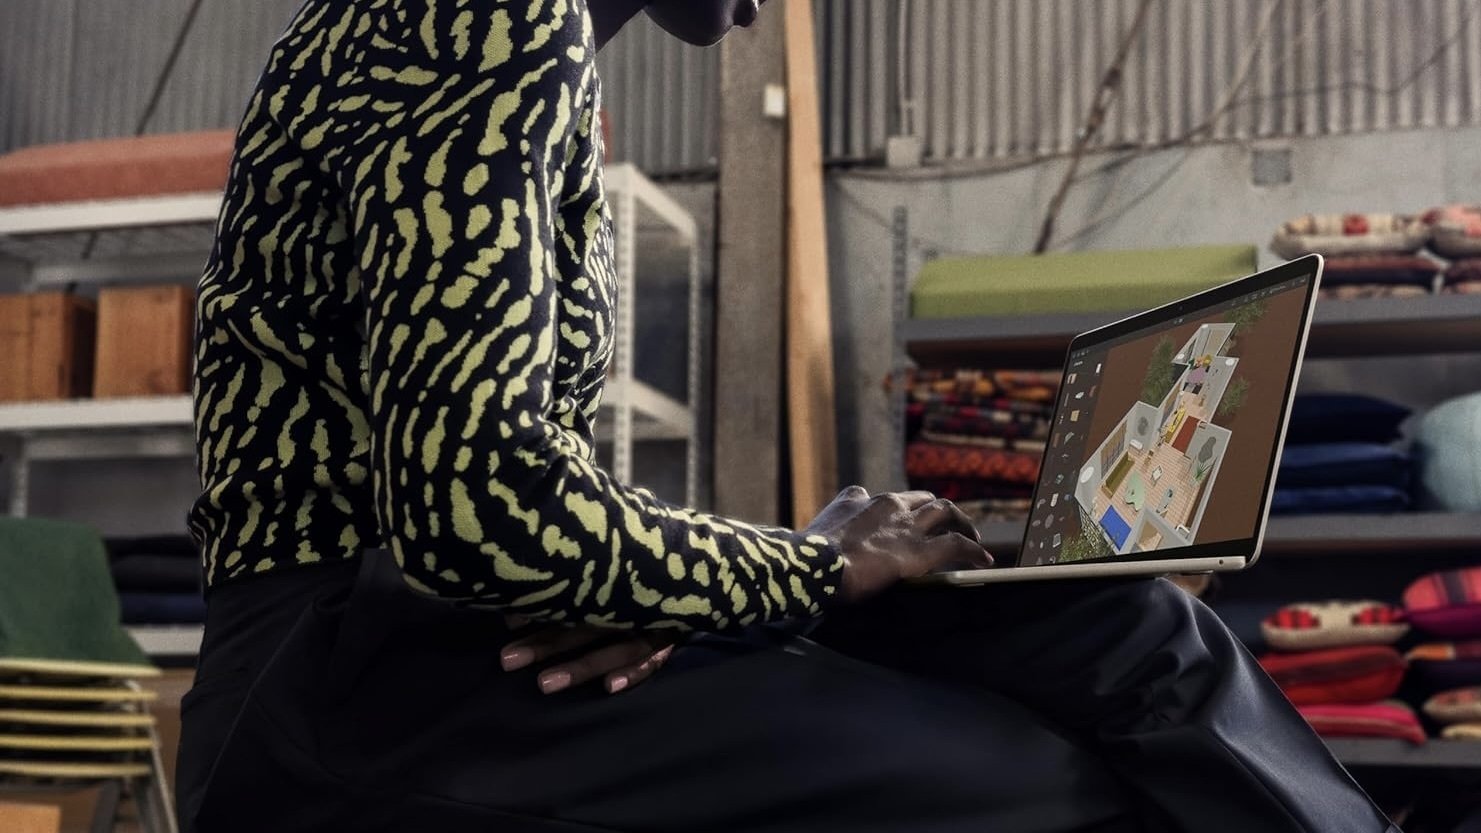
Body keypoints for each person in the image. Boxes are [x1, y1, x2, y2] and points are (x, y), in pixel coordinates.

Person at [176, 1, 1399, 830]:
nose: (765, 8)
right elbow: (477, 506)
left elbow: (488, 492)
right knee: (1056, 782)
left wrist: (672, 579)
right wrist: (803, 568)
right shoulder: (490, 18)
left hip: (423, 638)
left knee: (1112, 624)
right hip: (355, 691)